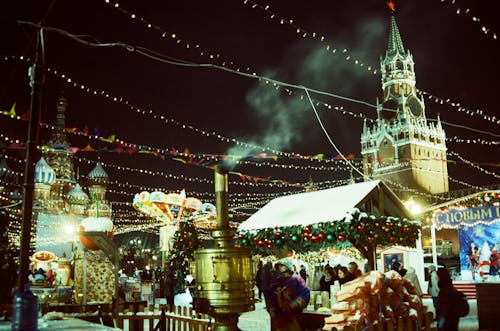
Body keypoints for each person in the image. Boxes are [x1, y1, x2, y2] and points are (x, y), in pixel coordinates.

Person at [268, 258, 310, 331]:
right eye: (279, 266)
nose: (280, 268)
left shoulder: (297, 279)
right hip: (279, 315)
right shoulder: (276, 282)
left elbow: (305, 293)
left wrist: (293, 304)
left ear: (288, 267)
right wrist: (271, 307)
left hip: (294, 314)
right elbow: (271, 296)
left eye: (282, 265)